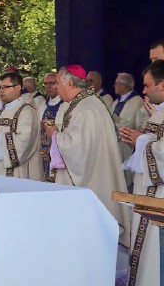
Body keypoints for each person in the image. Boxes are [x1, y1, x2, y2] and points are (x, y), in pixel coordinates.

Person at [43, 65, 132, 248]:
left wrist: (54, 135)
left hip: (90, 182)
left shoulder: (86, 109)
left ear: (68, 83)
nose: (56, 87)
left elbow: (77, 149)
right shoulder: (86, 103)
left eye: (58, 83)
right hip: (92, 176)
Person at [119, 60, 164, 286]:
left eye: (148, 85)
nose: (144, 91)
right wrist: (137, 141)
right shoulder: (158, 114)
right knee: (148, 259)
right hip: (148, 194)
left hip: (159, 197)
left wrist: (141, 141)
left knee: (156, 260)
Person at [0, 72, 42, 179]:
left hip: (19, 171)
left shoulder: (27, 110)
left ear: (17, 88)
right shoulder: (3, 110)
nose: (1, 91)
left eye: (5, 87)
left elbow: (25, 143)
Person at [109, 72, 142, 186]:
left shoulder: (137, 100)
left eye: (116, 84)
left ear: (124, 85)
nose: (114, 86)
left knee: (125, 178)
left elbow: (128, 124)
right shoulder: (116, 101)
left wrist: (112, 123)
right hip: (115, 142)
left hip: (126, 143)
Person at [39, 72, 67, 182]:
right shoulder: (42, 105)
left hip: (59, 152)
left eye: (52, 83)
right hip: (43, 152)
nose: (48, 86)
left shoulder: (65, 105)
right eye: (46, 83)